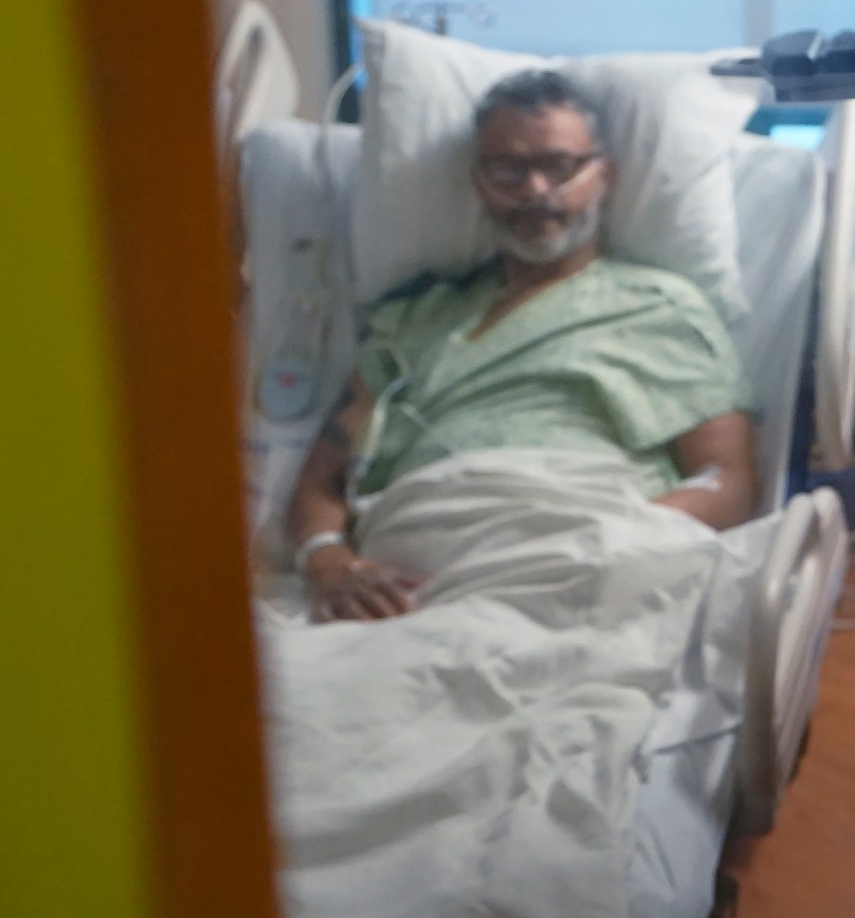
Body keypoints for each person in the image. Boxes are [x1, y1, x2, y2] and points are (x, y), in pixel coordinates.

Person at [285, 69, 759, 622]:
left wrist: (611, 541)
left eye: (559, 166)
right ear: (478, 183)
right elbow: (322, 479)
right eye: (508, 169)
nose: (535, 191)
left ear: (604, 176)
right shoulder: (412, 318)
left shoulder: (661, 308)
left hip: (595, 550)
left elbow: (729, 481)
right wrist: (329, 562)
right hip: (412, 577)